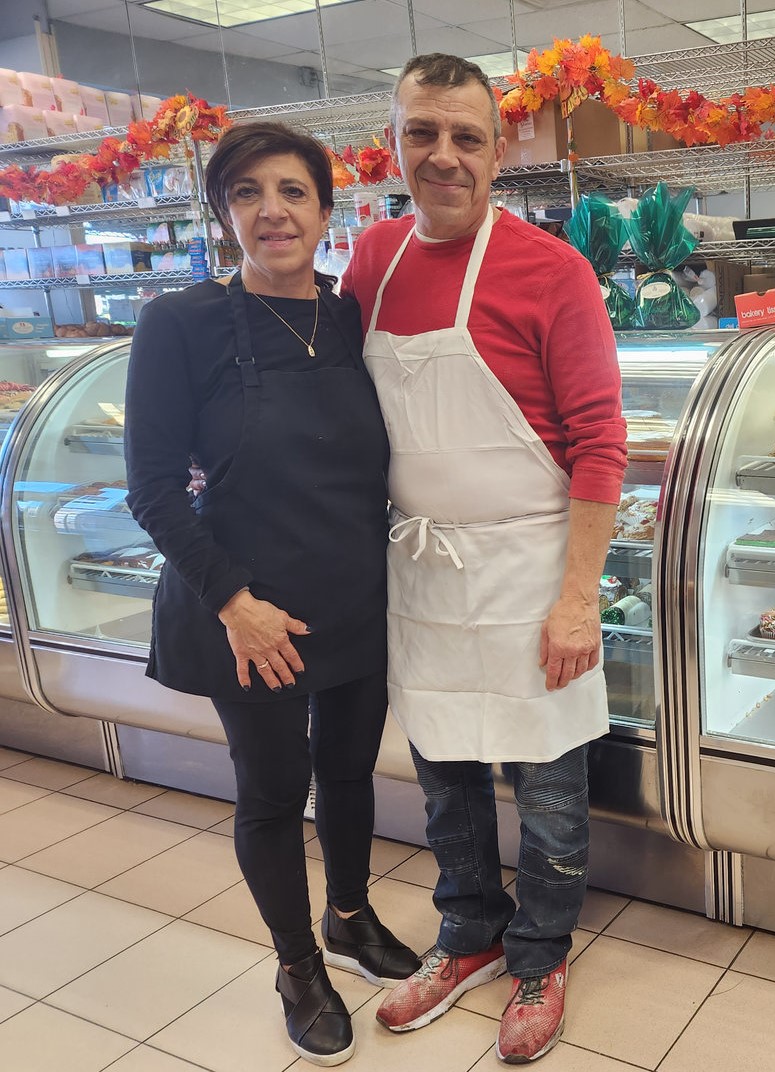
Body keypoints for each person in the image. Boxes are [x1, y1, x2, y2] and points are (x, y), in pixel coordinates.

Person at [339, 53, 626, 1064]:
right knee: (446, 781)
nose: (444, 155)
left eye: (467, 136)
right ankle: (468, 934)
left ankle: (541, 955)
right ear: (394, 143)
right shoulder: (372, 260)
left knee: (548, 793)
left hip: (530, 570)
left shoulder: (554, 271)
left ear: (500, 153)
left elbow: (601, 444)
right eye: (422, 132)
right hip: (420, 572)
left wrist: (578, 599)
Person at [124, 121, 421, 1067]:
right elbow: (152, 488)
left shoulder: (352, 317)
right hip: (247, 609)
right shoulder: (181, 324)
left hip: (352, 590)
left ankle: (349, 915)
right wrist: (234, 604)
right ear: (224, 214)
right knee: (272, 791)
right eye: (247, 193)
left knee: (349, 771)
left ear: (327, 210)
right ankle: (298, 967)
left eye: (293, 191)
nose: (272, 211)